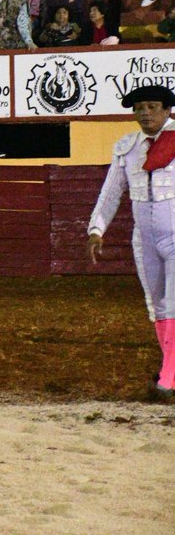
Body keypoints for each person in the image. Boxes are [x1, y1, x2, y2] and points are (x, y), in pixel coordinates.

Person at [88, 84, 175, 401]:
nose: (146, 113)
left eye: (153, 106)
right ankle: (171, 368)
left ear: (168, 111)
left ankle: (167, 381)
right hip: (145, 238)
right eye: (139, 108)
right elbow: (111, 191)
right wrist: (96, 229)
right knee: (158, 306)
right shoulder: (128, 146)